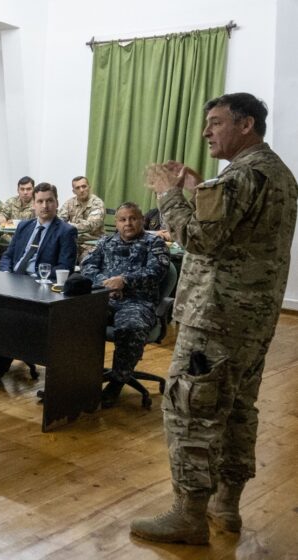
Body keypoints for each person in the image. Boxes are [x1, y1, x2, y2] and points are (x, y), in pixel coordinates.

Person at [130, 93, 298, 545]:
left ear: (246, 125)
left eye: (216, 122)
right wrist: (202, 189)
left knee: (191, 410)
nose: (207, 132)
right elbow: (238, 235)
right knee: (238, 409)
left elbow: (199, 240)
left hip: (216, 318)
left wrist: (169, 194)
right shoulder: (277, 173)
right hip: (254, 320)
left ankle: (188, 515)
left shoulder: (242, 175)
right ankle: (227, 506)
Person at [0, 183, 77, 386]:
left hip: (38, 287)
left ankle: (1, 366)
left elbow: (64, 266)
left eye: (49, 201)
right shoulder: (25, 226)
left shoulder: (66, 231)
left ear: (57, 203)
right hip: (11, 280)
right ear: (33, 204)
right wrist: (5, 272)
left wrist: (34, 278)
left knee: (11, 314)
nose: (45, 206)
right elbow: (8, 256)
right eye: (40, 201)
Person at [80, 202, 169, 407]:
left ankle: (117, 382)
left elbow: (157, 271)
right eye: (122, 219)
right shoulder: (106, 241)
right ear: (116, 223)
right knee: (72, 318)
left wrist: (125, 281)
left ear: (142, 220)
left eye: (133, 218)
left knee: (130, 327)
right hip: (104, 297)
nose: (128, 223)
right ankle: (77, 376)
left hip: (138, 302)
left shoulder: (154, 243)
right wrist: (107, 283)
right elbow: (87, 266)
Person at [59, 175, 106, 261]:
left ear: (89, 187)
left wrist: (68, 226)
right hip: (74, 242)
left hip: (93, 243)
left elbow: (91, 225)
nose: (81, 190)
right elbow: (59, 221)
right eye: (78, 188)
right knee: (59, 258)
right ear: (74, 191)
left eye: (84, 186)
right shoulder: (69, 203)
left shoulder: (97, 203)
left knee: (85, 261)